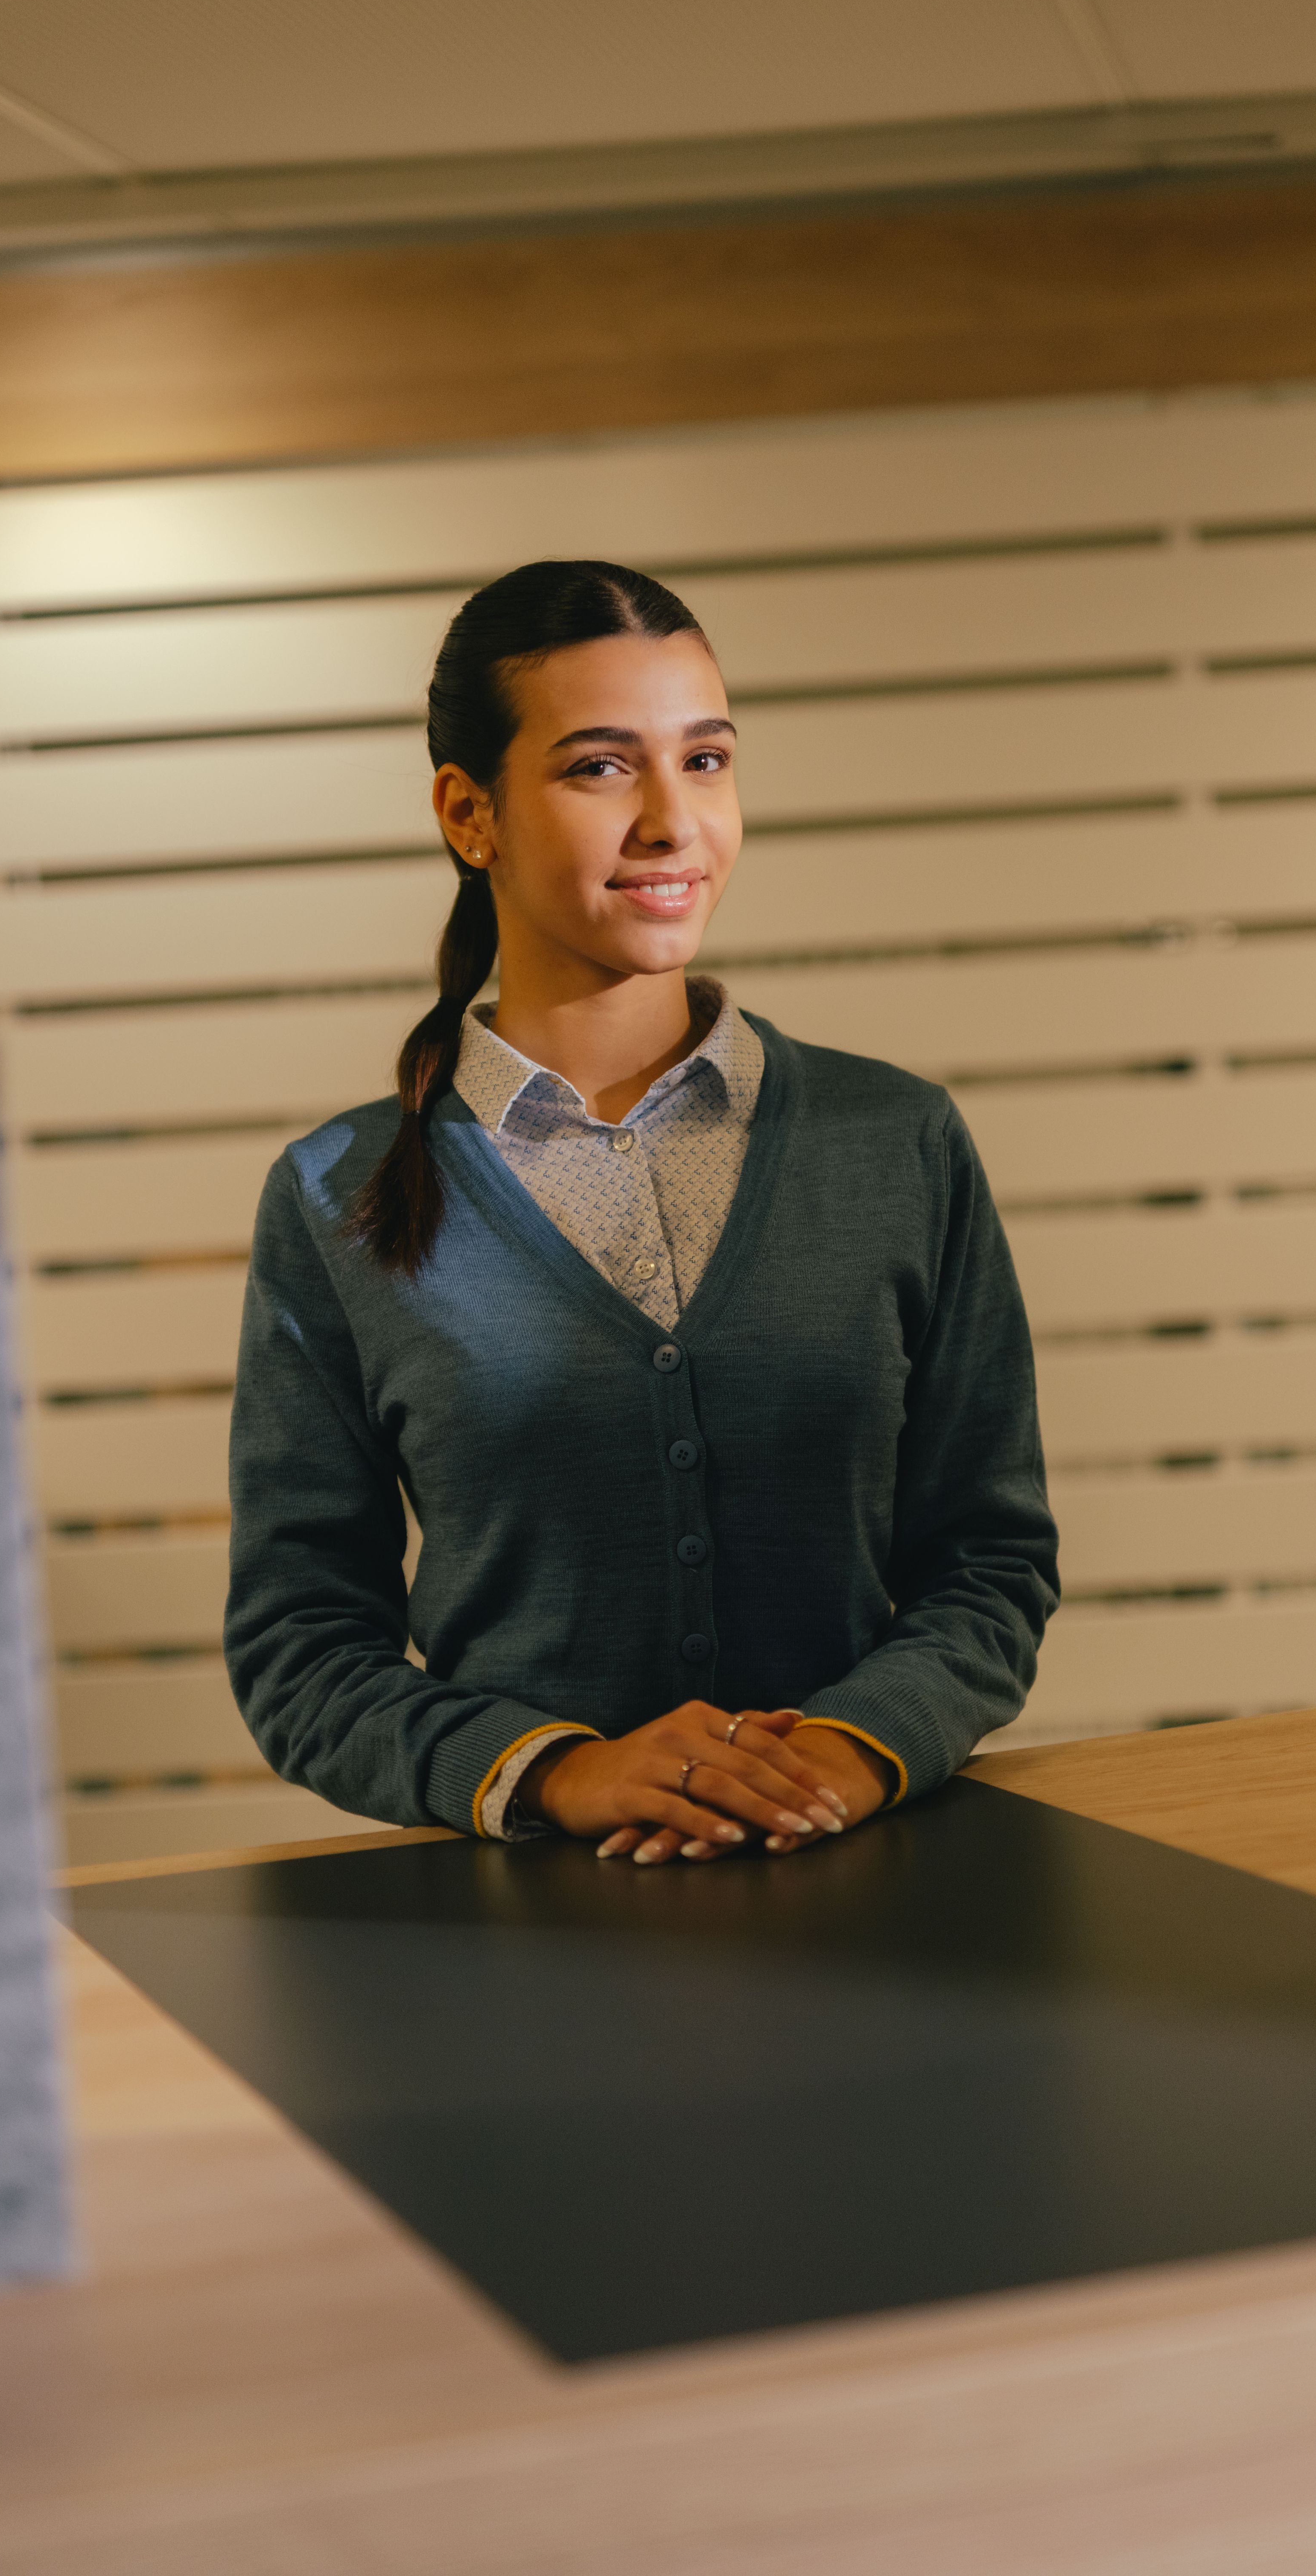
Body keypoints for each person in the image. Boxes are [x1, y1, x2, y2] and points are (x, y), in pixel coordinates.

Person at [224, 560, 1058, 1864]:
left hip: (889, 1897)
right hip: (535, 1949)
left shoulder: (897, 1142)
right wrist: (557, 1773)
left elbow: (992, 1563)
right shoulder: (335, 1199)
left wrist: (848, 1746)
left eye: (708, 762)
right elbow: (301, 1649)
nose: (674, 822)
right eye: (601, 768)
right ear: (469, 813)